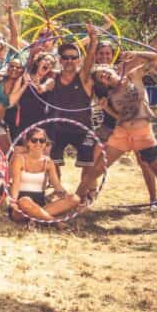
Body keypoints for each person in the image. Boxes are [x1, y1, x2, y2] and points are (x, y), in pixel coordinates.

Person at [92, 59, 157, 229]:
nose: (104, 75)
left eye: (104, 71)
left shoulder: (133, 76)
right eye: (100, 77)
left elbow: (155, 58)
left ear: (112, 69)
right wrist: (107, 109)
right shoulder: (111, 96)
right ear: (102, 83)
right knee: (96, 170)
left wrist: (137, 53)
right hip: (123, 135)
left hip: (143, 135)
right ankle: (75, 204)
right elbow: (121, 118)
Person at [45, 28, 99, 198]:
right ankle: (58, 190)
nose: (69, 61)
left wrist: (93, 40)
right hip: (58, 127)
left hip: (82, 128)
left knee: (88, 163)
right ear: (60, 60)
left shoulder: (83, 77)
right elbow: (34, 65)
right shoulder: (52, 77)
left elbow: (90, 61)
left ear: (79, 60)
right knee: (52, 161)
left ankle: (86, 193)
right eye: (65, 57)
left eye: (73, 57)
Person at [8, 126, 80, 226]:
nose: (38, 143)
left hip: (40, 204)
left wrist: (66, 196)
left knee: (75, 198)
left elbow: (57, 186)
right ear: (28, 142)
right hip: (22, 205)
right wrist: (13, 202)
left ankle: (37, 217)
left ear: (46, 143)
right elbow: (16, 183)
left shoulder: (48, 162)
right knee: (25, 201)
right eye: (34, 140)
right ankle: (55, 222)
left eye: (42, 140)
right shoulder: (19, 159)